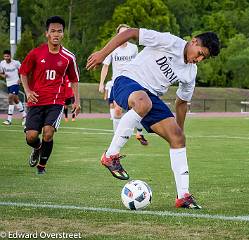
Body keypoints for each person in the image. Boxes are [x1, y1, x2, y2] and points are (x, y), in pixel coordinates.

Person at [87, 27, 220, 209]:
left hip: (150, 97)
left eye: (203, 58)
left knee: (178, 138)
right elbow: (130, 33)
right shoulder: (168, 41)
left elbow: (181, 103)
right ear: (194, 41)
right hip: (126, 81)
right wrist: (103, 54)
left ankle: (183, 196)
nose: (198, 59)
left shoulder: (190, 72)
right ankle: (110, 156)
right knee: (143, 102)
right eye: (199, 54)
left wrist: (177, 130)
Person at [19, 16, 80, 174]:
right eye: (52, 31)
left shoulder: (68, 57)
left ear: (63, 34)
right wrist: (27, 91)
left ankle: (42, 166)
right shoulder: (36, 53)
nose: (56, 34)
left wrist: (76, 101)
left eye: (59, 31)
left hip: (56, 102)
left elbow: (74, 80)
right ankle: (37, 148)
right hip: (36, 101)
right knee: (31, 137)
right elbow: (23, 73)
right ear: (46, 33)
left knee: (48, 132)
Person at [99, 24, 148, 145]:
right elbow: (105, 67)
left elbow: (139, 64)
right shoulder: (112, 49)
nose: (124, 35)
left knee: (138, 109)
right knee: (117, 111)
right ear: (117, 35)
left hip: (133, 82)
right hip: (118, 84)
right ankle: (117, 138)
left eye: (126, 33)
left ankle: (139, 132)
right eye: (121, 33)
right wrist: (101, 83)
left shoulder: (133, 48)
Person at [0, 50, 26, 125]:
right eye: (5, 56)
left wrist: (21, 79)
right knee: (16, 100)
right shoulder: (2, 63)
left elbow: (23, 70)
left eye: (8, 56)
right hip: (9, 83)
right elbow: (1, 73)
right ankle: (24, 115)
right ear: (3, 56)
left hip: (15, 82)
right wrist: (3, 75)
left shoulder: (16, 63)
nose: (6, 57)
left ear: (10, 56)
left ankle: (9, 119)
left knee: (10, 97)